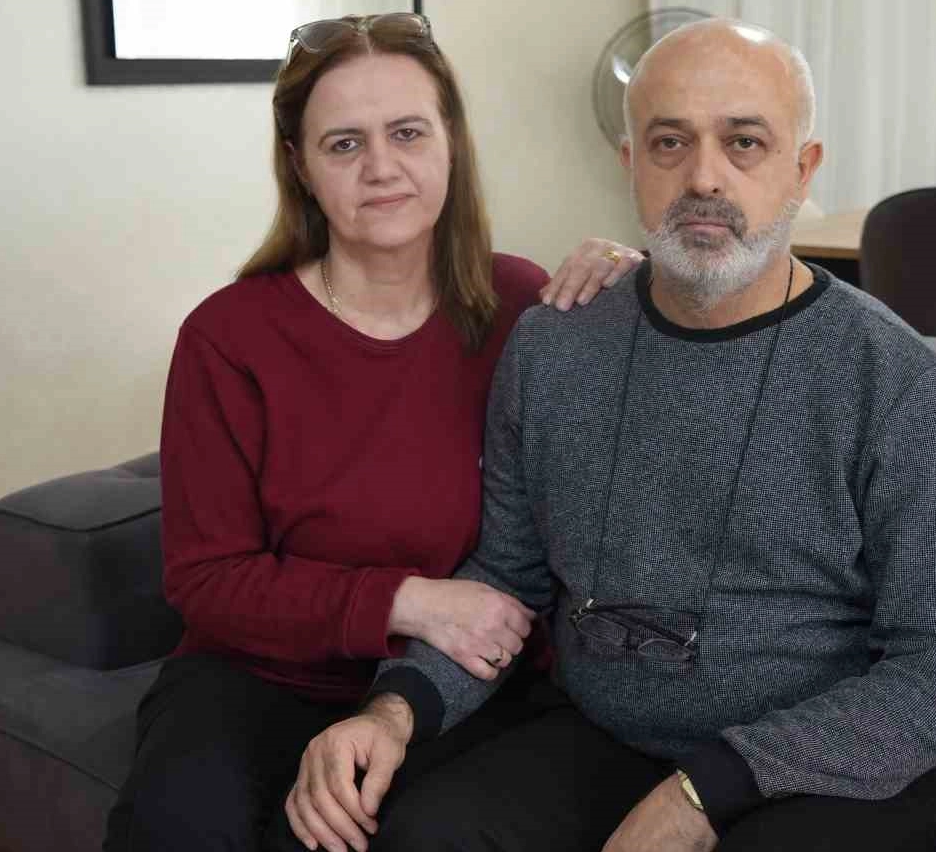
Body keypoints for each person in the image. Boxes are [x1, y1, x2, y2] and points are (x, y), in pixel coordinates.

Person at [298, 18, 936, 852]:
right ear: (630, 163)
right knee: (421, 834)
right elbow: (507, 580)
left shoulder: (896, 380)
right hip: (605, 736)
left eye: (744, 143)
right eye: (669, 142)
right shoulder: (554, 344)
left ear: (802, 168)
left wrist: (703, 794)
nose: (702, 176)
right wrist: (394, 711)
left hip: (821, 764)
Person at [101, 13, 646, 852]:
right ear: (300, 166)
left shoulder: (520, 305)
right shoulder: (228, 336)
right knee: (177, 828)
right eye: (344, 144)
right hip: (254, 675)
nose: (381, 167)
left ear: (451, 141)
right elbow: (207, 579)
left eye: (407, 132)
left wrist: (637, 286)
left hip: (451, 685)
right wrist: (408, 600)